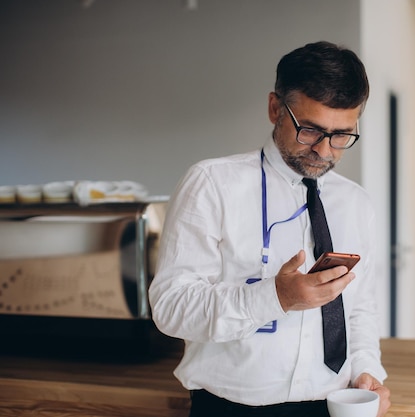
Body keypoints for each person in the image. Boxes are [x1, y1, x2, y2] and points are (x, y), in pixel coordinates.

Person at [149, 41, 391, 417]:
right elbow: (171, 308)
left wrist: (366, 371)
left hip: (334, 405)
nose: (325, 152)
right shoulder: (212, 184)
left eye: (342, 135)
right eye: (310, 130)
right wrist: (276, 297)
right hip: (231, 408)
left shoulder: (357, 203)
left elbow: (359, 309)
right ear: (275, 108)